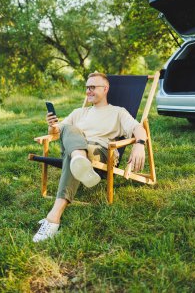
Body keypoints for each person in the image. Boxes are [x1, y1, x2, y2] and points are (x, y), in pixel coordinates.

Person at [33, 72, 147, 242]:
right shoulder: (79, 112)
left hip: (100, 152)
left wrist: (139, 144)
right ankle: (79, 159)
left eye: (93, 87)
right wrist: (52, 126)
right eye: (87, 88)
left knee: (73, 150)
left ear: (105, 89)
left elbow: (138, 128)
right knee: (69, 129)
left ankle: (53, 216)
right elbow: (57, 132)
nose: (88, 91)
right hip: (76, 148)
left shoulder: (118, 112)